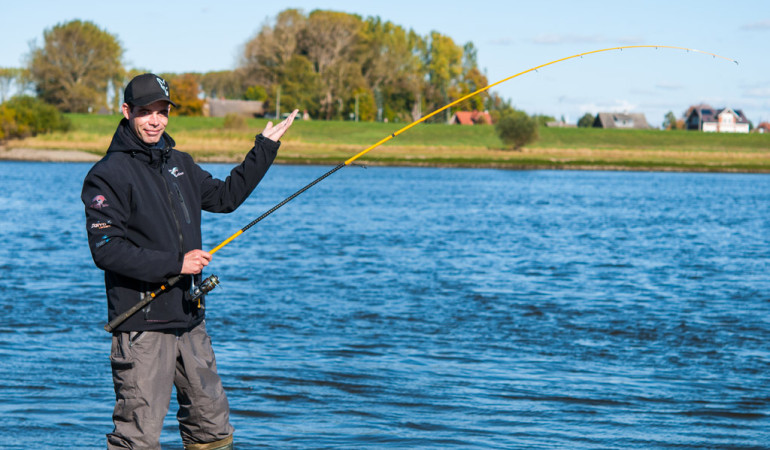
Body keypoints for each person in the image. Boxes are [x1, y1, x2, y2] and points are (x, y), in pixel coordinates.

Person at [82, 73, 298, 449]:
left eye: (162, 112)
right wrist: (176, 264)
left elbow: (225, 198)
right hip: (141, 325)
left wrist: (264, 148)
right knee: (138, 438)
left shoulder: (179, 163)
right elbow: (106, 249)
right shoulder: (107, 175)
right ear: (126, 111)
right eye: (146, 112)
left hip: (189, 317)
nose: (155, 120)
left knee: (212, 429)